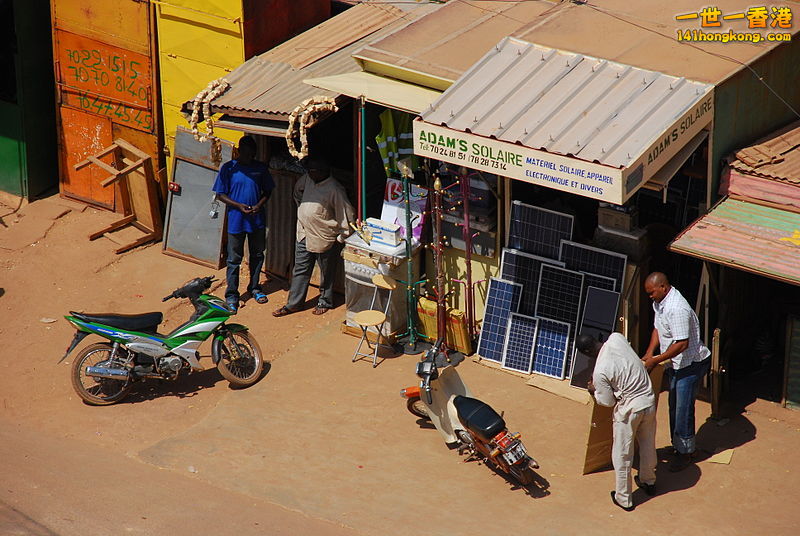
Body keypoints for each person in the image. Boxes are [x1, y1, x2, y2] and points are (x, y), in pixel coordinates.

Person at [579, 333, 657, 512]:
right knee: (647, 444)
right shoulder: (616, 338)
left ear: (587, 352)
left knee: (622, 455)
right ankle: (649, 481)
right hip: (648, 401)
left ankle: (624, 498)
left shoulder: (600, 370)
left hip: (629, 411)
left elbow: (608, 402)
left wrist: (594, 390)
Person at [642, 272, 711, 472]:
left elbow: (682, 343)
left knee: (683, 409)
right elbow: (658, 329)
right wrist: (649, 353)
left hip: (690, 364)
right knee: (673, 405)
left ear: (663, 287)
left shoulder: (677, 308)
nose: (650, 297)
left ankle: (686, 453)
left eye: (652, 293)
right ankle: (678, 446)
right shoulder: (660, 302)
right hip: (675, 364)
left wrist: (656, 360)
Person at [273, 157, 354, 317]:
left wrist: (341, 238)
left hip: (325, 238)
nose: (309, 174)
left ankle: (325, 301)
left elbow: (346, 215)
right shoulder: (308, 179)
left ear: (322, 172)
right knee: (301, 270)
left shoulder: (335, 189)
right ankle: (294, 304)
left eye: (312, 171)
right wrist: (302, 208)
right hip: (304, 233)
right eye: (309, 171)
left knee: (326, 273)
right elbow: (297, 191)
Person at [212, 135, 274, 312]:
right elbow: (220, 194)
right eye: (246, 154)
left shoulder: (260, 168)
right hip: (236, 222)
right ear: (239, 151)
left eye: (252, 154)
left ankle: (254, 288)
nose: (249, 157)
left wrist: (258, 205)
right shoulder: (228, 168)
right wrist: (238, 206)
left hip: (257, 221)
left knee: (257, 255)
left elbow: (268, 191)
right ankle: (232, 295)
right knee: (234, 260)